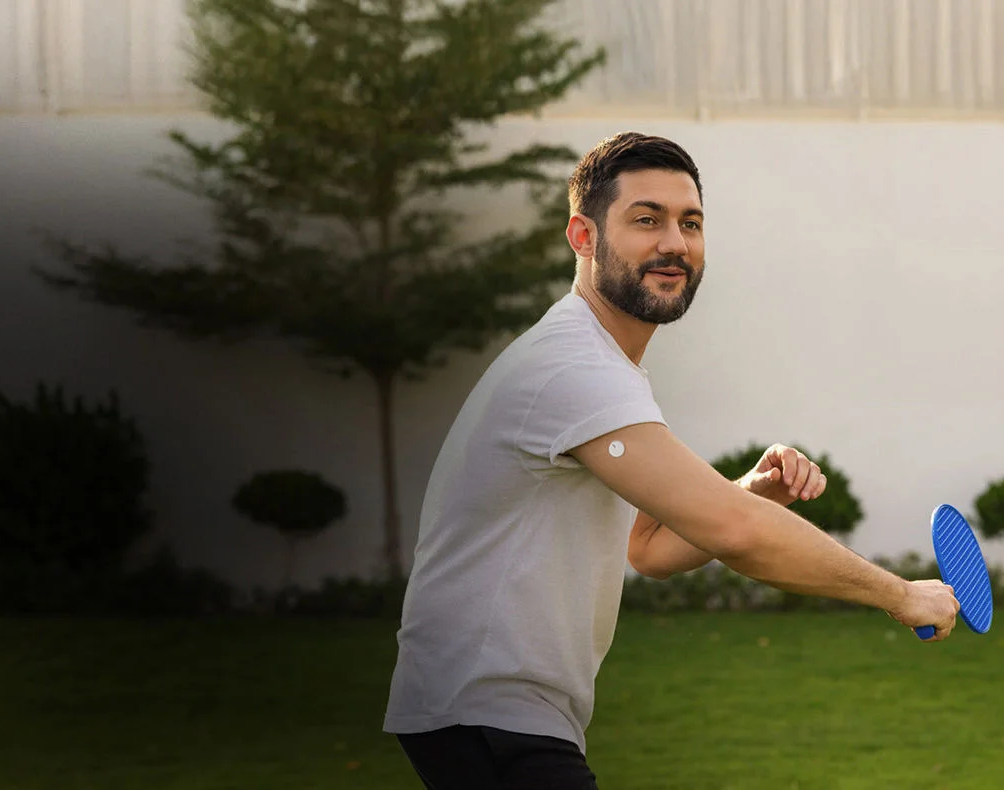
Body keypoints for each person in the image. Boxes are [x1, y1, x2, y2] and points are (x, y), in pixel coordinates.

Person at [381, 132, 961, 789]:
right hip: (482, 710)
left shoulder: (604, 368)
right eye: (646, 220)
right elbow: (733, 533)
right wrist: (902, 594)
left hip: (494, 713)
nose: (674, 244)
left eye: (690, 223)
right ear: (583, 236)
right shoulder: (572, 367)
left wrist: (751, 492)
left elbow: (649, 549)